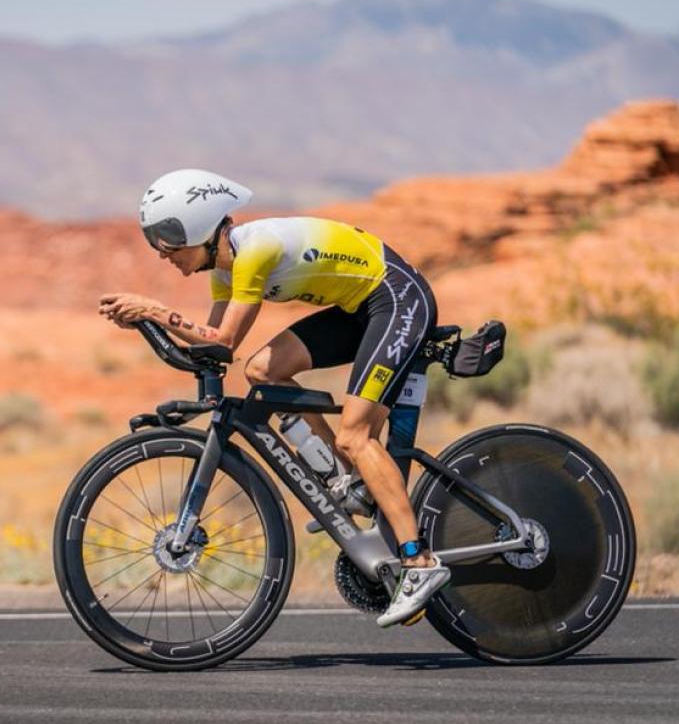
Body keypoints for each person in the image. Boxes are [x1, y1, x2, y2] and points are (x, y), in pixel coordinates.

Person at [99, 168, 449, 627]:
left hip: (397, 298)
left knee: (355, 437)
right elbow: (217, 352)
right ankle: (352, 485)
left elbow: (221, 337)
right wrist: (148, 327)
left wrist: (156, 311)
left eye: (167, 238)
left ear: (200, 226)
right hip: (361, 308)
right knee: (263, 371)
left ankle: (418, 563)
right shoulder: (225, 270)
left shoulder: (254, 252)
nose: (161, 252)